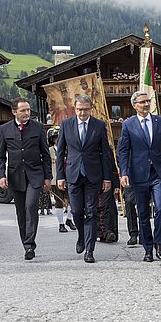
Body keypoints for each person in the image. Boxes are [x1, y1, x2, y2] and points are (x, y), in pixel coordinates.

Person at [56, 94, 112, 264]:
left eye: (85, 110)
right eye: (79, 110)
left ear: (91, 109)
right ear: (75, 109)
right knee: (77, 212)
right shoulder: (66, 124)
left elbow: (105, 154)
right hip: (73, 174)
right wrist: (60, 176)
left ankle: (90, 249)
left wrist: (107, 178)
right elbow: (61, 152)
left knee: (91, 212)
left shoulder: (99, 126)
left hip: (93, 175)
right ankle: (81, 236)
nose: (82, 113)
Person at [117, 90, 161, 262]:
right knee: (142, 212)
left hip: (158, 172)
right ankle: (147, 248)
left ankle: (158, 242)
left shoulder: (160, 122)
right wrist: (124, 172)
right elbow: (124, 150)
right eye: (142, 102)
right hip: (138, 174)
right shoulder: (128, 124)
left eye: (148, 101)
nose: (146, 104)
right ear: (135, 105)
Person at [0, 97, 52, 261]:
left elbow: (46, 155)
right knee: (21, 212)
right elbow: (0, 157)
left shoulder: (39, 128)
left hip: (35, 175)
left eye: (28, 110)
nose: (27, 113)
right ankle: (26, 246)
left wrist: (48, 177)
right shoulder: (5, 129)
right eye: (23, 110)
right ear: (14, 112)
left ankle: (30, 244)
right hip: (15, 176)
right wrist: (1, 176)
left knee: (31, 205)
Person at [48, 127, 75, 233]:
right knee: (59, 202)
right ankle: (61, 224)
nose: (58, 139)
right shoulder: (50, 151)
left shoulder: (69, 149)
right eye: (55, 138)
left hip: (70, 178)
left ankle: (69, 219)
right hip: (55, 179)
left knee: (73, 201)